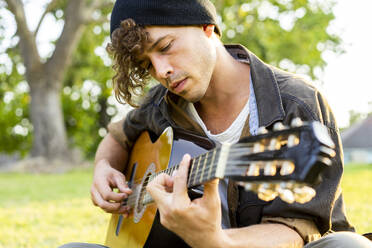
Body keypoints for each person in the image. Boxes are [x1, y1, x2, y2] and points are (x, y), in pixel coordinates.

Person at [60, 0, 372, 247]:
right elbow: (118, 137)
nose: (162, 71)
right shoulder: (161, 103)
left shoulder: (296, 102)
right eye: (147, 64)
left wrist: (213, 241)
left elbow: (296, 230)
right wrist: (103, 167)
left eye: (165, 47)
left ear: (207, 26)